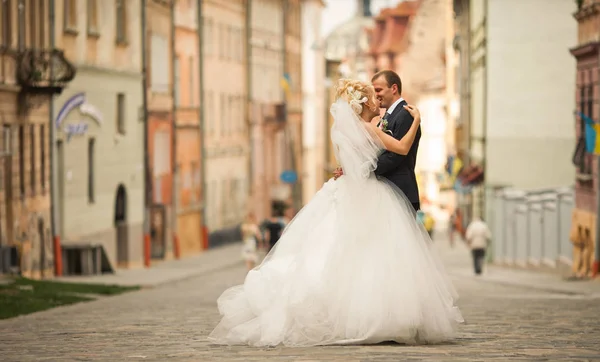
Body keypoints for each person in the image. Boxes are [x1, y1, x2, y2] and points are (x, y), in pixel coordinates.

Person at [208, 79, 463, 347]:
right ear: (363, 104)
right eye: (371, 97)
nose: (376, 101)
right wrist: (416, 121)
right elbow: (400, 148)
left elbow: (359, 161)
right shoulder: (367, 129)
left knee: (343, 250)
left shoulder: (345, 131)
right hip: (369, 193)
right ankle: (377, 313)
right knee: (374, 253)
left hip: (351, 191)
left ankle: (351, 312)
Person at [334, 70, 421, 215]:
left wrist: (359, 171)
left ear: (393, 88)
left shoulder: (406, 114)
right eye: (373, 93)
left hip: (399, 190)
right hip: (385, 191)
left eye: (379, 90)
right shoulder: (383, 119)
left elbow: (395, 156)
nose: (376, 96)